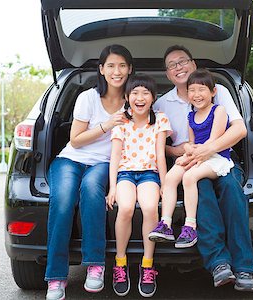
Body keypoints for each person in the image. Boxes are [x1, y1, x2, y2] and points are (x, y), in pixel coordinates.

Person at [152, 45, 253, 291]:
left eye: (183, 61)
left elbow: (240, 129)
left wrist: (207, 150)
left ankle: (244, 268)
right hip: (188, 162)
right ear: (167, 74)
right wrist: (180, 151)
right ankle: (219, 263)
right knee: (201, 189)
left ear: (194, 64)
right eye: (172, 65)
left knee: (232, 190)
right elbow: (154, 142)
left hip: (219, 156)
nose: (179, 67)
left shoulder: (217, 92)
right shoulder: (161, 104)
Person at [45, 44, 134, 300]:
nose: (116, 71)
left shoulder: (136, 100)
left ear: (129, 69)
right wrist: (108, 124)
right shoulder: (87, 97)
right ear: (102, 70)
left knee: (91, 190)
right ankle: (56, 278)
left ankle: (95, 265)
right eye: (111, 65)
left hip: (105, 162)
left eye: (121, 65)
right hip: (70, 159)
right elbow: (75, 140)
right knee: (62, 202)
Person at [149, 69, 235, 249]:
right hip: (198, 155)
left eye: (202, 89)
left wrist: (190, 159)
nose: (197, 95)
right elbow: (192, 142)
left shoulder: (218, 111)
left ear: (213, 92)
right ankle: (165, 224)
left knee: (189, 177)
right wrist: (186, 154)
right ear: (187, 95)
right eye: (192, 90)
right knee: (171, 178)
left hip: (216, 157)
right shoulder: (191, 116)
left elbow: (213, 142)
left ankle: (190, 226)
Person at [107, 74, 171, 298]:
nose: (140, 97)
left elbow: (160, 155)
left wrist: (165, 184)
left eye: (145, 93)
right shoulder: (120, 121)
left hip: (149, 175)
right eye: (135, 93)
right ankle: (120, 263)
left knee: (150, 208)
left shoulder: (160, 120)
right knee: (124, 208)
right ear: (126, 97)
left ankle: (147, 265)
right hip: (125, 173)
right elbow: (115, 156)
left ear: (153, 98)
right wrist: (112, 187)